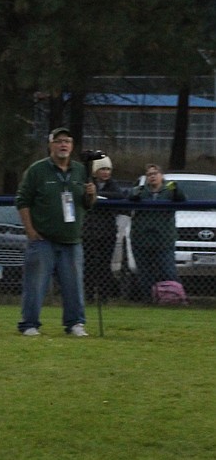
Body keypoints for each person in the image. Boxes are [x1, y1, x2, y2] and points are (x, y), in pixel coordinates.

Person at [15, 127, 96, 337]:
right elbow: (22, 201)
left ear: (72, 146)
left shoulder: (81, 170)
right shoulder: (37, 170)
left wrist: (91, 195)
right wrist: (30, 231)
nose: (63, 145)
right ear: (50, 145)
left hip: (72, 240)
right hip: (43, 239)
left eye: (67, 141)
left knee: (74, 286)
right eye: (59, 141)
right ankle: (29, 324)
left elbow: (87, 205)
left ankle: (75, 324)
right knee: (36, 285)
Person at [126, 163, 185, 301]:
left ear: (161, 175)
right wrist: (135, 194)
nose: (152, 177)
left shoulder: (170, 191)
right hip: (142, 239)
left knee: (168, 270)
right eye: (149, 174)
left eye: (155, 174)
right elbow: (129, 198)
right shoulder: (140, 191)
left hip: (163, 240)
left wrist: (176, 190)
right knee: (145, 274)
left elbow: (182, 199)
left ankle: (174, 298)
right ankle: (149, 299)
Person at [81, 152, 125, 301]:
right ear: (95, 170)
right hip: (89, 230)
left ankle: (104, 295)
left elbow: (119, 196)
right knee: (89, 264)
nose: (106, 172)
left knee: (104, 264)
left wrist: (98, 195)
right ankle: (88, 295)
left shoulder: (113, 185)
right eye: (102, 169)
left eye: (108, 169)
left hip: (107, 231)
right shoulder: (87, 182)